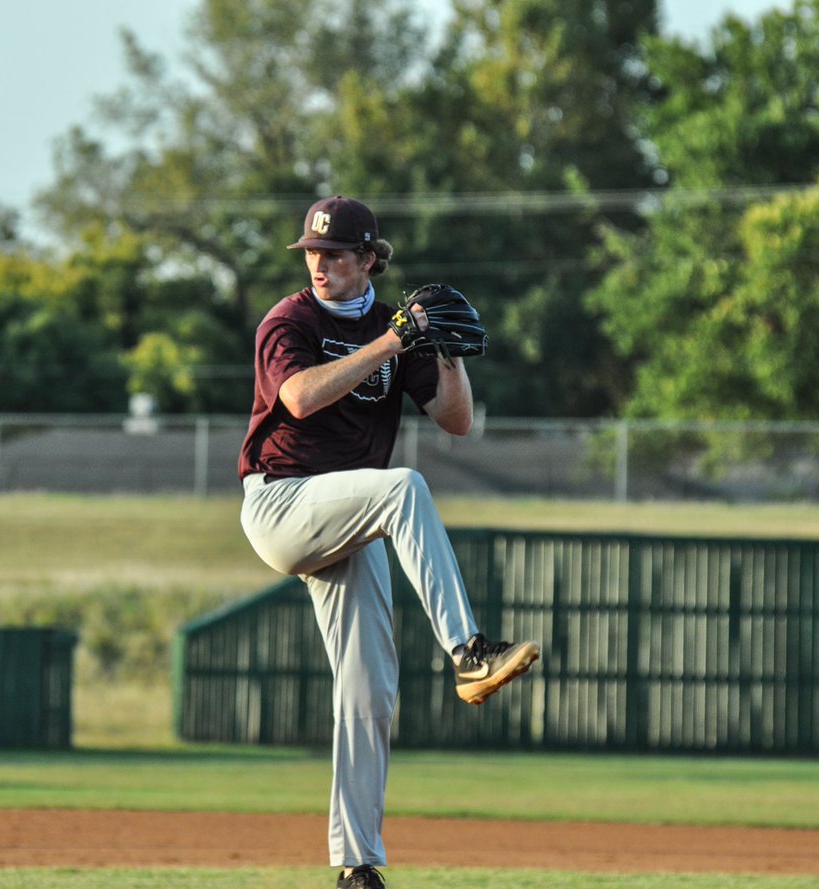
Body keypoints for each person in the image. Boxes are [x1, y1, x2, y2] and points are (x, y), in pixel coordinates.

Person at [238, 195, 541, 888]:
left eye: (337, 253)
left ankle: (356, 864)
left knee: (371, 689)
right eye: (313, 252)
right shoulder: (292, 320)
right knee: (404, 485)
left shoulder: (390, 327)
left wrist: (449, 355)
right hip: (282, 503)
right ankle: (469, 651)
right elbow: (300, 399)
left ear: (370, 259)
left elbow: (455, 422)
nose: (321, 264)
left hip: (351, 513)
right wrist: (396, 341)